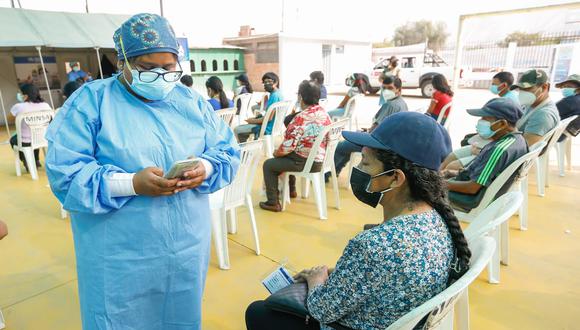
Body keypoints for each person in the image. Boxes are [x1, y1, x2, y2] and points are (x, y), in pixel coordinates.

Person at [45, 13, 240, 330]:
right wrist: (131, 183)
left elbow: (227, 150)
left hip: (185, 245)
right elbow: (65, 173)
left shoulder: (191, 102)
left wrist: (205, 168)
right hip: (120, 253)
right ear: (123, 62)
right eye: (148, 68)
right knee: (119, 317)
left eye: (168, 66)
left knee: (179, 315)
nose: (161, 75)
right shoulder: (92, 102)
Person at [246, 112, 469, 330]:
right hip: (396, 313)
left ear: (396, 177)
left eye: (365, 162)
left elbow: (321, 310)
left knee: (258, 312)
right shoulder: (437, 218)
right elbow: (380, 273)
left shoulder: (374, 245)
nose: (358, 170)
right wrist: (337, 273)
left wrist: (317, 279)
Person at [259, 81, 331, 212]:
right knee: (289, 157)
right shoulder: (325, 114)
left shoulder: (300, 118)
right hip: (320, 160)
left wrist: (276, 153)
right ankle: (291, 190)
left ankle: (273, 202)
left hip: (304, 162)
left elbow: (287, 147)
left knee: (269, 164)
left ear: (301, 97)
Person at [444, 98, 528, 211]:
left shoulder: (499, 149)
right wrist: (452, 173)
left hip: (471, 199)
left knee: (419, 191)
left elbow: (472, 187)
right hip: (479, 192)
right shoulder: (518, 140)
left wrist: (441, 184)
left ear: (502, 123)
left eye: (485, 118)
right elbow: (483, 174)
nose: (480, 121)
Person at [333, 75, 408, 177]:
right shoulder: (401, 103)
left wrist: (365, 133)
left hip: (377, 144)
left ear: (398, 89)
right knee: (349, 143)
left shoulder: (390, 105)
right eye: (384, 88)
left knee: (341, 146)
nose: (386, 91)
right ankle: (337, 169)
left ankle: (330, 173)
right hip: (388, 142)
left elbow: (374, 131)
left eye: (390, 88)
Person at [511, 69, 560, 147]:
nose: (522, 93)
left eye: (527, 89)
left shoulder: (543, 115)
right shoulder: (531, 104)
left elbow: (525, 148)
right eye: (520, 89)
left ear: (544, 87)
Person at [9, 84, 52, 171]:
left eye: (20, 93)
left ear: (25, 96)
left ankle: (26, 160)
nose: (19, 95)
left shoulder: (19, 107)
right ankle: (36, 160)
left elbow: (9, 118)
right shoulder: (45, 105)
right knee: (35, 136)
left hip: (26, 141)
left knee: (13, 140)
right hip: (44, 138)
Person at [234, 72, 283, 142]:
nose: (266, 84)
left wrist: (253, 121)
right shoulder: (279, 93)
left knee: (237, 130)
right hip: (274, 126)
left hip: (266, 128)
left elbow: (269, 118)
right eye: (265, 82)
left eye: (269, 81)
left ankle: (245, 151)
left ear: (276, 82)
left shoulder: (274, 96)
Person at [554, 74, 580, 141]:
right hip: (563, 133)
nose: (566, 88)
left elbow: (550, 111)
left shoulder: (571, 101)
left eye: (569, 86)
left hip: (555, 134)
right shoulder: (576, 99)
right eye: (566, 86)